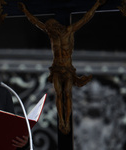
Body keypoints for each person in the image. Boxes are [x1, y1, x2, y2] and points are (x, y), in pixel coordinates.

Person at [19, 0, 106, 134]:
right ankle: (62, 121)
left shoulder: (68, 31)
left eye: (51, 29)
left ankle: (67, 120)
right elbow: (36, 22)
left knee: (67, 94)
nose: (49, 31)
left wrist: (96, 5)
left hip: (67, 69)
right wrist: (25, 10)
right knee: (59, 95)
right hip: (56, 69)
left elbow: (85, 18)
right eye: (48, 30)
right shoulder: (51, 34)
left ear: (56, 27)